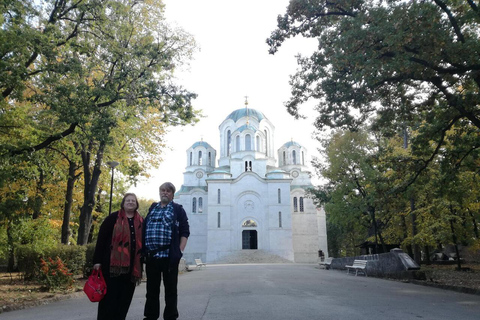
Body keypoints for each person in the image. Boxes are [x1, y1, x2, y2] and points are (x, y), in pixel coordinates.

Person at [92, 193, 144, 320]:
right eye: (128, 200)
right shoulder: (113, 218)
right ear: (123, 203)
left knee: (124, 299)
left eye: (133, 200)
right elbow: (102, 239)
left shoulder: (141, 221)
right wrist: (97, 261)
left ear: (136, 204)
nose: (131, 202)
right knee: (109, 299)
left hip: (132, 268)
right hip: (112, 267)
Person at [143, 182, 190, 320]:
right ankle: (150, 316)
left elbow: (185, 231)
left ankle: (170, 317)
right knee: (151, 290)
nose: (165, 193)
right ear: (159, 192)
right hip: (152, 256)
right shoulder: (153, 207)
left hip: (169, 256)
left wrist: (179, 251)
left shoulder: (177, 209)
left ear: (172, 194)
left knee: (170, 290)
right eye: (162, 190)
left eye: (168, 191)